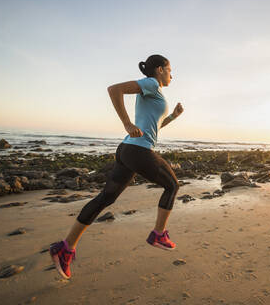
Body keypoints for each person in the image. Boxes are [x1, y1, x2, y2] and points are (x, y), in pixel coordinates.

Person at [49, 54, 184, 279]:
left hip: (127, 150)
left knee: (105, 198)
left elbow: (154, 127)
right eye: (170, 70)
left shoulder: (155, 93)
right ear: (159, 70)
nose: (172, 74)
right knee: (172, 185)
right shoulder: (151, 83)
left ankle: (65, 248)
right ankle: (158, 234)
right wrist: (127, 123)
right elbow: (114, 89)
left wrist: (173, 117)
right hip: (138, 150)